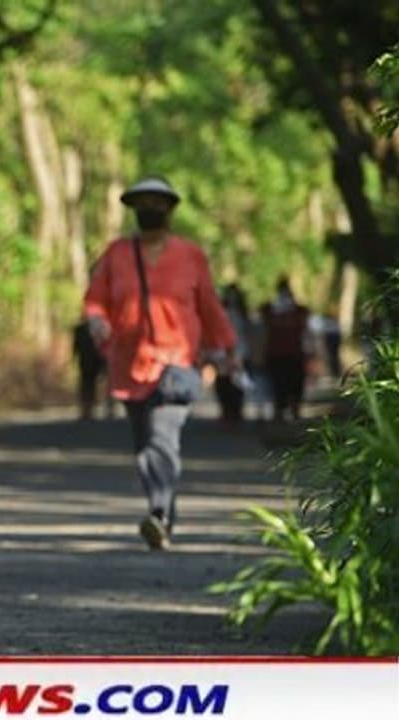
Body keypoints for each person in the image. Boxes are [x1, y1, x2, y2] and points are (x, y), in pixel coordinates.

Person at [83, 176, 236, 551]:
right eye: (142, 203)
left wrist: (228, 348)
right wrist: (97, 320)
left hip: (176, 364)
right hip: (128, 365)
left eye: (157, 202)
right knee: (144, 447)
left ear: (169, 209)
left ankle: (159, 515)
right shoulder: (116, 254)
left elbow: (209, 307)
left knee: (162, 438)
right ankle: (163, 516)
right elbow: (95, 299)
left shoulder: (190, 255)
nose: (149, 210)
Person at [259, 277, 309, 422]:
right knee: (283, 385)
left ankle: (290, 411)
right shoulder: (273, 310)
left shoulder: (296, 311)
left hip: (288, 354)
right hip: (283, 354)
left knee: (288, 384)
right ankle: (284, 411)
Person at [214, 284, 252, 424]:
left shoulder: (241, 314)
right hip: (224, 353)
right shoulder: (222, 313)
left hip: (237, 352)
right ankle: (228, 411)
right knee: (225, 383)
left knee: (235, 384)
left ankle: (235, 412)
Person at [72, 318, 107, 421]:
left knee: (94, 386)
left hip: (96, 361)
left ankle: (94, 409)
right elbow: (75, 346)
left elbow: (102, 345)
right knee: (86, 386)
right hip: (84, 362)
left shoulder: (99, 329)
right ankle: (85, 410)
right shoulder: (79, 329)